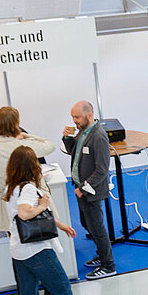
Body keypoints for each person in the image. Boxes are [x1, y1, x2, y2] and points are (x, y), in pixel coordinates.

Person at [4, 146, 100, 295]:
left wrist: (60, 225)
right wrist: (42, 204)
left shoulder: (11, 189)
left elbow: (28, 215)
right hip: (37, 250)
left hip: (19, 250)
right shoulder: (28, 189)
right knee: (62, 287)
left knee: (28, 293)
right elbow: (24, 213)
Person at [0, 106, 56, 247]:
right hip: (30, 200)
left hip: (5, 202)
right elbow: (50, 145)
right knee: (40, 241)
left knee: (14, 240)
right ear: (16, 123)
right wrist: (27, 136)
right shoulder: (24, 145)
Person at [62, 101, 115, 279]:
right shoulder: (83, 131)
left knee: (97, 228)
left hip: (90, 191)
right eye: (73, 117)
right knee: (87, 224)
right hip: (81, 189)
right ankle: (101, 255)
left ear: (89, 115)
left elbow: (102, 170)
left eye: (77, 117)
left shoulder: (98, 137)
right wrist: (67, 138)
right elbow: (74, 152)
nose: (74, 121)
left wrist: (83, 189)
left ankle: (108, 266)